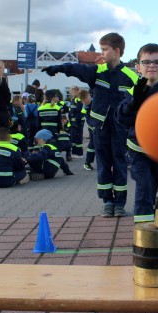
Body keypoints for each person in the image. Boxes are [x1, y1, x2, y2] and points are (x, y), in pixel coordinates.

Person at [42, 32, 139, 217]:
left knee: (119, 163)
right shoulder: (97, 72)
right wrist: (58, 68)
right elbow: (76, 68)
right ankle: (107, 202)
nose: (101, 53)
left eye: (104, 50)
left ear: (117, 51)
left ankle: (119, 202)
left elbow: (143, 98)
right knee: (103, 164)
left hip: (120, 128)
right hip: (99, 127)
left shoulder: (130, 76)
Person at [115, 43, 158, 222]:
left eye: (157, 62)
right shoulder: (131, 93)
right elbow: (121, 118)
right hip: (138, 150)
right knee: (144, 187)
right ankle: (144, 232)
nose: (152, 66)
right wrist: (133, 103)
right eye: (146, 62)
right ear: (138, 67)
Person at [79, 89, 95, 171]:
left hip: (98, 126)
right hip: (92, 127)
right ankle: (87, 162)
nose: (84, 102)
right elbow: (87, 118)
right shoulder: (85, 105)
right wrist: (92, 125)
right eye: (83, 101)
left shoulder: (95, 101)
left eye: (85, 100)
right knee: (92, 144)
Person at [69, 86, 85, 158]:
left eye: (72, 91)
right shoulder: (73, 99)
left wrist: (75, 120)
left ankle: (79, 153)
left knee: (78, 137)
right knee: (73, 137)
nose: (71, 93)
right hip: (73, 122)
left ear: (76, 91)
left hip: (78, 122)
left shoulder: (78, 100)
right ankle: (74, 152)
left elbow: (79, 111)